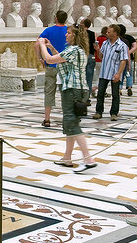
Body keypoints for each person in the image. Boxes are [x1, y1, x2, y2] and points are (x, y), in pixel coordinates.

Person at [37, 23, 95, 172]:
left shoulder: (74, 50)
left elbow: (50, 60)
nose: (65, 35)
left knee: (72, 123)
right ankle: (67, 157)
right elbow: (61, 59)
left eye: (68, 33)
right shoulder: (76, 50)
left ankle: (88, 159)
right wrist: (50, 47)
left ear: (75, 36)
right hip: (78, 89)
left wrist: (42, 44)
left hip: (72, 90)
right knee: (71, 122)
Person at [36, 10, 68, 128]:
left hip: (51, 66)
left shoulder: (48, 30)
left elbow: (37, 44)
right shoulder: (68, 31)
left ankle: (47, 119)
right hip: (64, 67)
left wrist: (40, 58)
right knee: (65, 93)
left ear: (56, 18)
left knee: (49, 92)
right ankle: (67, 117)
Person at [93, 25, 128, 120]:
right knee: (100, 93)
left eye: (109, 32)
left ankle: (114, 113)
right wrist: (98, 50)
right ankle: (98, 111)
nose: (107, 33)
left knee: (115, 94)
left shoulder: (122, 46)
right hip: (104, 72)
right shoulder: (105, 43)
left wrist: (119, 73)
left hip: (114, 72)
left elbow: (123, 60)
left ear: (115, 33)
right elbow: (101, 57)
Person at [118, 23, 137, 96]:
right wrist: (129, 52)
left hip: (120, 58)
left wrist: (127, 52)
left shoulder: (118, 39)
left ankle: (119, 88)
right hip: (129, 58)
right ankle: (129, 87)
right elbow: (135, 46)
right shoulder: (129, 38)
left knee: (120, 73)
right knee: (129, 73)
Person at [81, 18, 97, 96]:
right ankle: (87, 96)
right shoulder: (93, 33)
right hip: (91, 55)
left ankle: (82, 95)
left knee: (81, 77)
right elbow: (95, 45)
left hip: (82, 55)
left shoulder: (80, 33)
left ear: (83, 25)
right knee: (89, 77)